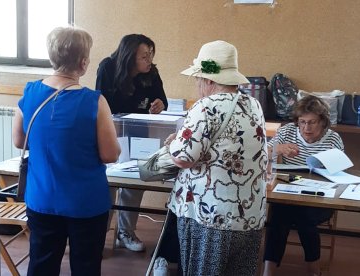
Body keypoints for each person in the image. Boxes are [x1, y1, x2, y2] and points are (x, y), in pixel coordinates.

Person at [12, 26, 120, 276]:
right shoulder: (94, 101)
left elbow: (19, 140)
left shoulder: (29, 92)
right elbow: (110, 154)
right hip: (85, 202)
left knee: (41, 264)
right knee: (85, 266)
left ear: (52, 58)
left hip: (41, 198)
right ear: (83, 63)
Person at [166, 40, 268, 275]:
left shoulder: (205, 106)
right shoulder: (253, 104)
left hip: (212, 217)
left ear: (209, 80)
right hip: (250, 215)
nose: (197, 85)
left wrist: (173, 143)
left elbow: (183, 158)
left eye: (198, 79)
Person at [96, 34, 168, 252]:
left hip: (139, 135)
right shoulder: (108, 68)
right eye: (144, 56)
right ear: (129, 57)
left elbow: (162, 100)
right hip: (111, 133)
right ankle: (101, 234)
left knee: (133, 185)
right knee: (108, 185)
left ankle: (125, 233)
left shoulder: (151, 73)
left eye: (150, 55)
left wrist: (159, 105)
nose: (149, 60)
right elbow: (100, 103)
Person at [263, 95, 344, 276]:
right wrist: (278, 149)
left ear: (323, 122)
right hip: (289, 193)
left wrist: (327, 165)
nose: (306, 128)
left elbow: (340, 170)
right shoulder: (287, 132)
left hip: (319, 198)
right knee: (283, 212)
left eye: (312, 122)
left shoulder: (333, 139)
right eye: (302, 122)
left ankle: (272, 270)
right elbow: (261, 154)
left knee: (296, 214)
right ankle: (310, 270)